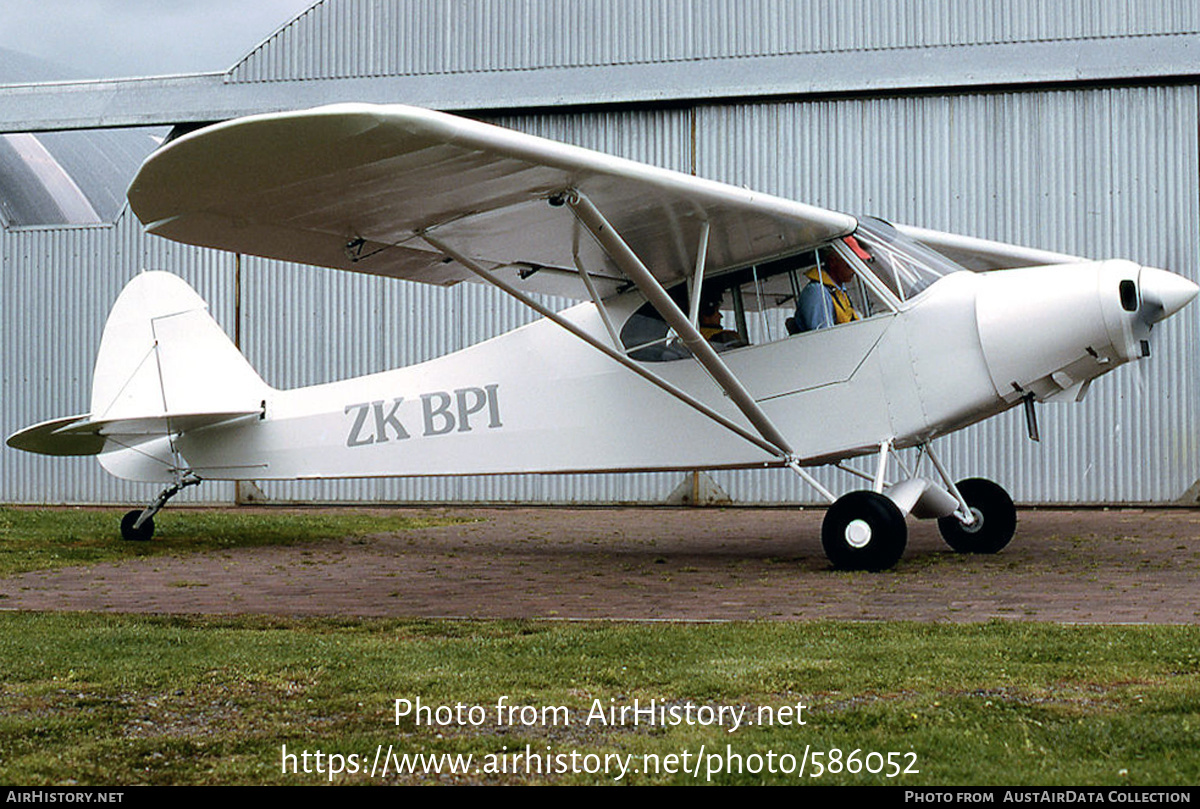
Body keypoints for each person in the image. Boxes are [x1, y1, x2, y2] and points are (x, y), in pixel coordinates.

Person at [794, 239, 864, 331]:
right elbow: (823, 335)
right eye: (849, 265)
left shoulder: (839, 290)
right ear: (832, 262)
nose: (854, 271)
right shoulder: (817, 293)